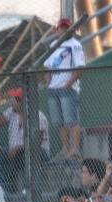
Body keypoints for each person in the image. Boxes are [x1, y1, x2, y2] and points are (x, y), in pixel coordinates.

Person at [0, 88, 49, 193]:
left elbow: (36, 143)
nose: (12, 102)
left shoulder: (38, 115)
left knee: (27, 154)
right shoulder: (11, 112)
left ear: (22, 101)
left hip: (37, 152)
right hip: (14, 151)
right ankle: (4, 191)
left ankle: (31, 190)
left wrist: (17, 149)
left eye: (14, 100)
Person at [43, 18, 86, 160]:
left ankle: (75, 149)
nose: (63, 30)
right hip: (54, 87)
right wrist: (48, 81)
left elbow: (80, 67)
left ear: (72, 30)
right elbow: (48, 66)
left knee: (72, 120)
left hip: (68, 88)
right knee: (59, 122)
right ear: (57, 30)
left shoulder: (75, 45)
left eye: (66, 28)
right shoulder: (53, 45)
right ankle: (65, 149)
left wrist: (69, 83)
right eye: (61, 28)